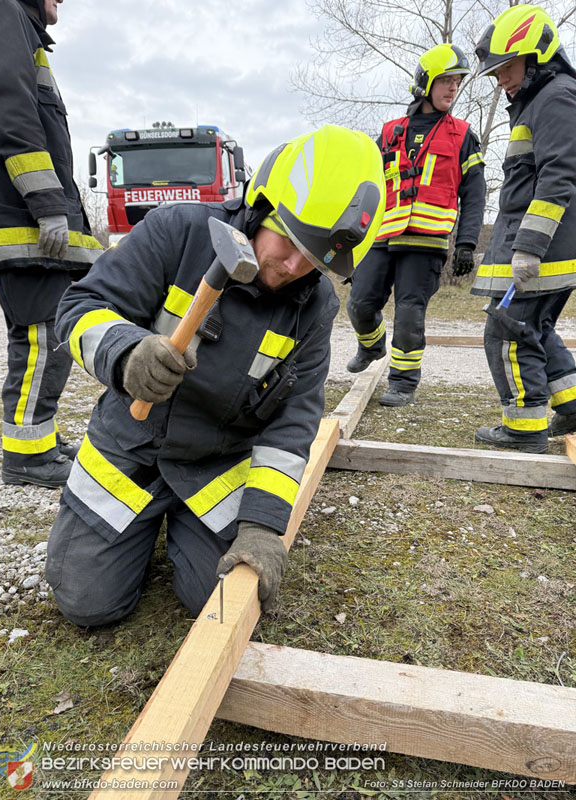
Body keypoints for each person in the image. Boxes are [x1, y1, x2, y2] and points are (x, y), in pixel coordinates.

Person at [44, 125, 386, 625]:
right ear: (261, 205)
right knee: (86, 604)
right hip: (129, 450)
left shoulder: (314, 308)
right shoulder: (177, 232)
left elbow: (293, 422)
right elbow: (80, 307)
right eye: (288, 240)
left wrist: (263, 524)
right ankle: (132, 530)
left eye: (313, 258)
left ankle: (182, 523)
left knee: (220, 600)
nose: (292, 266)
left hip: (214, 464)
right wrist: (127, 354)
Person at [0, 0, 103, 488]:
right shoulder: (0, 8)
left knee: (45, 335)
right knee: (42, 337)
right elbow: (7, 106)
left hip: (23, 215)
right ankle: (27, 455)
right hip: (20, 218)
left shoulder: (16, 22)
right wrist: (46, 201)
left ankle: (37, 440)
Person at [346, 44, 486, 407]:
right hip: (382, 237)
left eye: (457, 83)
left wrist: (467, 243)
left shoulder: (463, 135)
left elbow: (475, 193)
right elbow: (368, 187)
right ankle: (371, 346)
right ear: (425, 83)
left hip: (427, 242)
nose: (452, 89)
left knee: (409, 314)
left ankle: (403, 382)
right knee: (360, 303)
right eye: (446, 81)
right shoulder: (391, 132)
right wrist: (351, 240)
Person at [471, 5, 576, 454]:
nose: (501, 80)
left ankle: (524, 427)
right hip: (545, 245)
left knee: (507, 331)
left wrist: (529, 246)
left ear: (536, 57)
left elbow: (559, 174)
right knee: (535, 329)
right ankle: (572, 405)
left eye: (506, 68)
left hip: (543, 248)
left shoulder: (555, 97)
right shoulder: (542, 99)